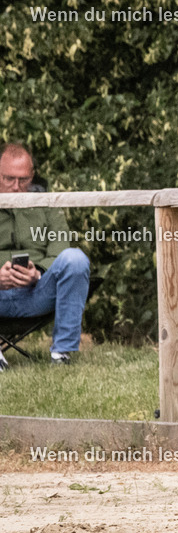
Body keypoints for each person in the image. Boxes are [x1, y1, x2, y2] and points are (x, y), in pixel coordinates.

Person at [0, 143, 90, 368]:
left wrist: (37, 273)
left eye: (23, 180)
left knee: (76, 259)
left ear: (32, 176)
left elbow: (60, 247)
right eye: (8, 179)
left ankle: (61, 354)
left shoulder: (48, 203)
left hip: (37, 292)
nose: (16, 187)